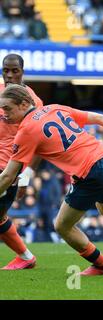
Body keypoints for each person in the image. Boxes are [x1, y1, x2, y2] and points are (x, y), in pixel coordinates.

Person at [0, 84, 103, 275]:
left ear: (23, 105)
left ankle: (102, 266)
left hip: (89, 172)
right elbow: (97, 117)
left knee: (62, 226)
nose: (3, 113)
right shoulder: (54, 108)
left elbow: (8, 175)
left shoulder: (26, 131)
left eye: (7, 108)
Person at [0, 53, 43, 270]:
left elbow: (39, 144)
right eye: (5, 70)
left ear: (22, 71)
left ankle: (26, 256)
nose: (9, 75)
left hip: (9, 169)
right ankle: (26, 257)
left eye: (14, 70)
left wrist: (25, 177)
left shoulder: (33, 102)